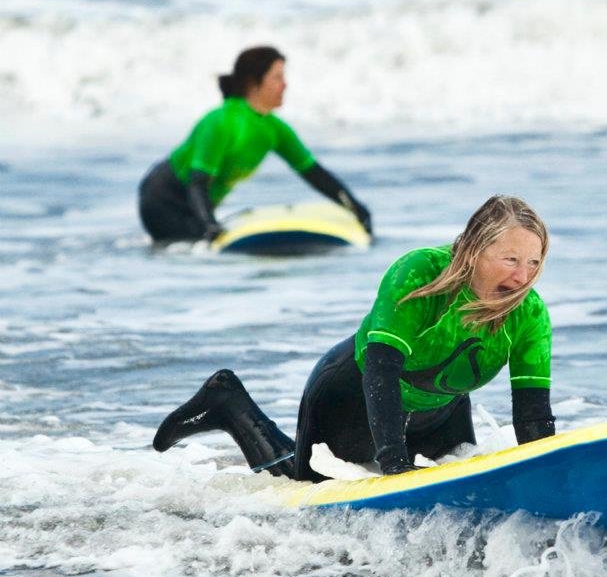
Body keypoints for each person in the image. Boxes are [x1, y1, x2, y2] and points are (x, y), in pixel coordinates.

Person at [151, 195, 556, 480]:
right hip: (353, 394)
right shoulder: (420, 275)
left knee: (462, 477)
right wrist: (394, 463)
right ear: (473, 250)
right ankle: (230, 405)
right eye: (510, 260)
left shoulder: (530, 314)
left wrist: (548, 479)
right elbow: (380, 370)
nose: (522, 277)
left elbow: (532, 414)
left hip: (440, 411)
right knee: (302, 486)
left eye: (534, 263)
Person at [138, 46, 371, 243]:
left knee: (201, 243)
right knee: (194, 249)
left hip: (197, 207)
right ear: (253, 83)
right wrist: (209, 225)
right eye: (277, 77)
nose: (285, 85)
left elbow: (314, 174)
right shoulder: (222, 121)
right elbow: (197, 182)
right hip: (162, 200)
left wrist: (356, 208)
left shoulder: (274, 128)